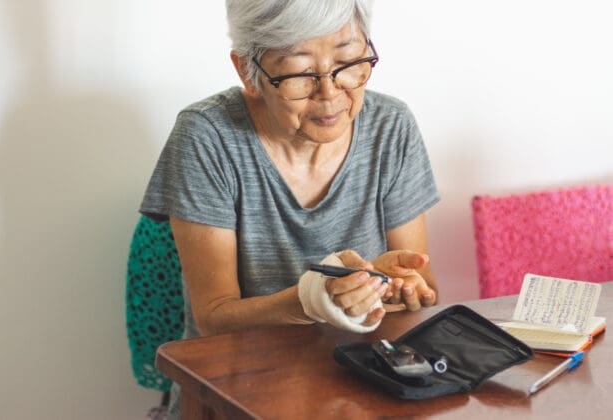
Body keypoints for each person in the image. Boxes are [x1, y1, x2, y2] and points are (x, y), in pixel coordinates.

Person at [140, 0, 439, 417]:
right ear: (248, 71)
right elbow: (213, 318)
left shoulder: (391, 127)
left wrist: (393, 286)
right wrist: (314, 300)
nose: (330, 93)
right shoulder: (207, 138)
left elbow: (422, 290)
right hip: (236, 395)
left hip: (358, 390)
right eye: (300, 72)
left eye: (348, 61)